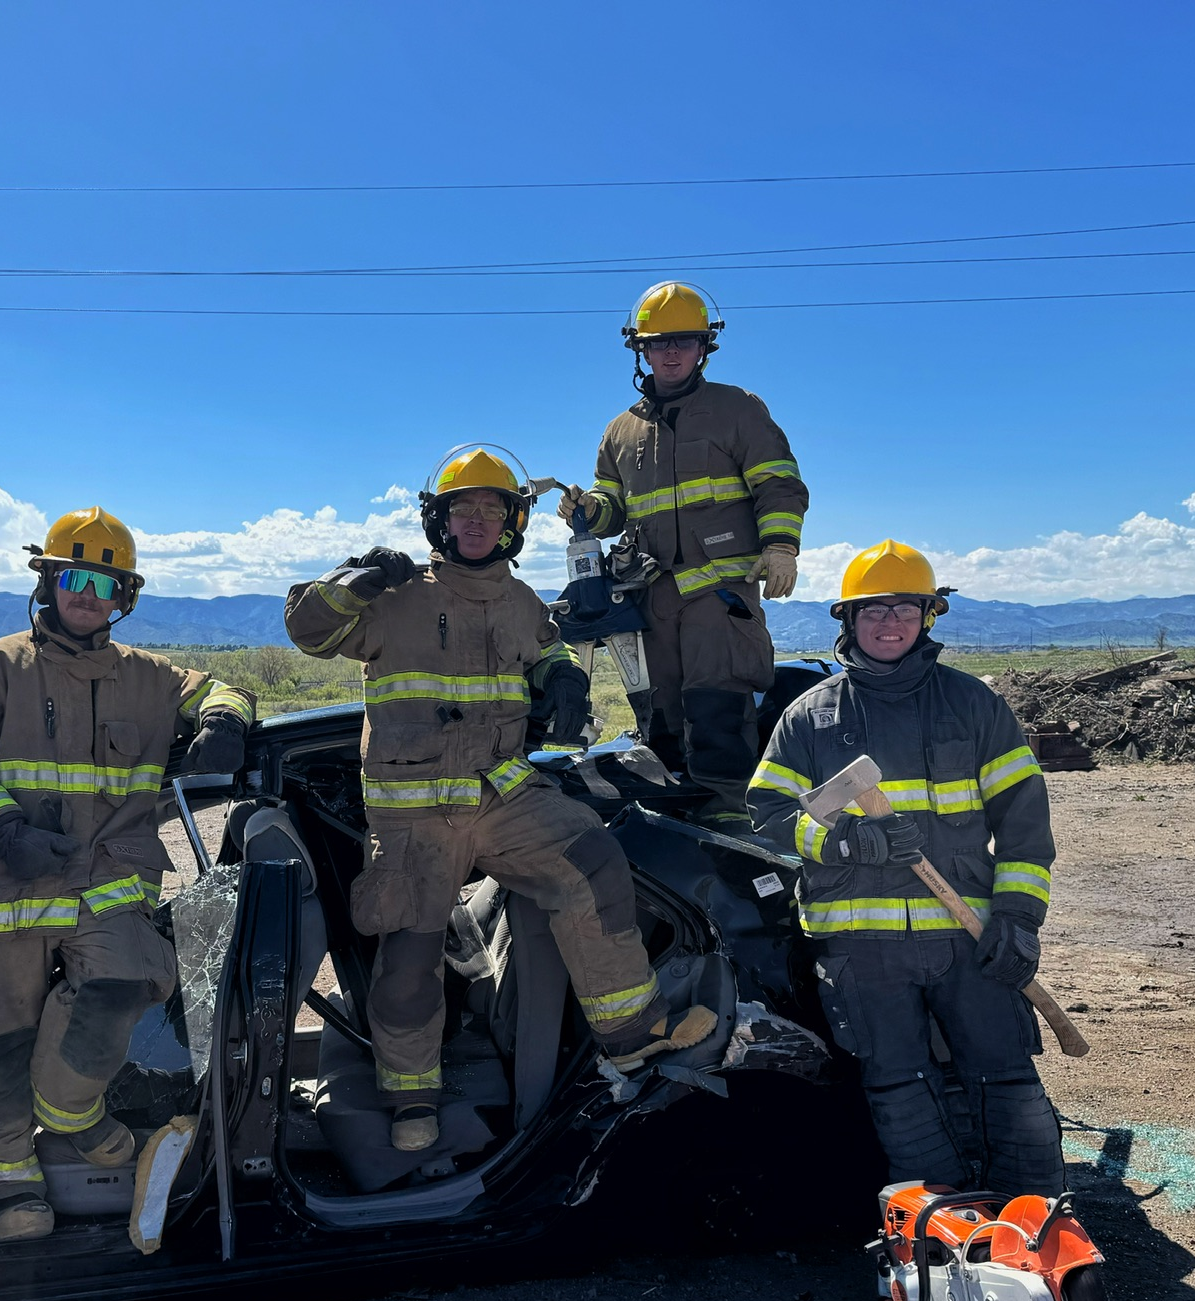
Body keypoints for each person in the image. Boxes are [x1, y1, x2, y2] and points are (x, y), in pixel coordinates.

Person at [285, 445, 713, 1153]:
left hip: (505, 798)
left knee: (594, 862)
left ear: (514, 523)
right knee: (409, 958)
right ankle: (411, 1097)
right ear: (440, 520)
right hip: (416, 813)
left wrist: (562, 677)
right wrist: (352, 578)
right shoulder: (395, 598)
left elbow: (546, 647)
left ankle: (632, 1036)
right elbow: (308, 631)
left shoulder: (519, 600)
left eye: (493, 509)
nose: (478, 521)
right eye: (464, 509)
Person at [0, 508, 253, 1242]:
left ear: (124, 596)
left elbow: (223, 691)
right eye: (75, 578)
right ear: (48, 582)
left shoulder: (150, 678)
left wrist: (223, 721)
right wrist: (2, 830)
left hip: (104, 885)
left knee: (126, 982)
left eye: (105, 583)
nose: (88, 595)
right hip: (0, 886)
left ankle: (72, 1117)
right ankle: (8, 1186)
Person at [746, 539, 1063, 1195]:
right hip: (861, 948)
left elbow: (1025, 826)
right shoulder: (809, 718)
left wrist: (1017, 918)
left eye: (904, 609)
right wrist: (843, 842)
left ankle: (1035, 1214)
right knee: (899, 1086)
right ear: (847, 619)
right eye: (873, 610)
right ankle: (934, 1228)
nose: (889, 623)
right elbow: (769, 814)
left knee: (1004, 1073)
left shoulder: (974, 706)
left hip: (968, 935)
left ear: (928, 616)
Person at [556, 281, 810, 827]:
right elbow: (613, 508)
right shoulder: (620, 431)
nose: (671, 352)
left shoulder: (737, 409)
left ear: (703, 347)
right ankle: (672, 820)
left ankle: (731, 819)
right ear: (641, 350)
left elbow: (779, 484)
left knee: (717, 704)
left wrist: (780, 545)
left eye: (684, 341)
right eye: (658, 342)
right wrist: (589, 509)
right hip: (653, 596)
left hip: (719, 594)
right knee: (661, 713)